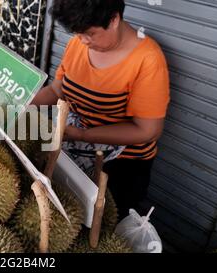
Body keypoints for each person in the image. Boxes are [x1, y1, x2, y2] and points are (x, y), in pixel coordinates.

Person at [32, 0, 170, 220]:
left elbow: (148, 130)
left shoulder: (148, 59)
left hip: (122, 166)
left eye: (90, 33)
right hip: (75, 146)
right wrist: (20, 103)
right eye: (78, 33)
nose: (83, 40)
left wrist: (84, 135)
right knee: (67, 218)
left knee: (102, 224)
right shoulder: (78, 43)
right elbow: (58, 91)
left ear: (114, 19)